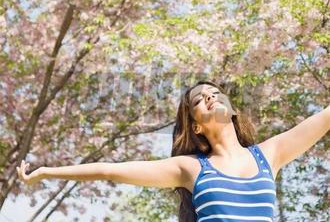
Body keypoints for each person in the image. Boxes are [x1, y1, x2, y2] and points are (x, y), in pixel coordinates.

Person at [17, 80, 330, 222]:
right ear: (195, 127)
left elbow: (323, 117)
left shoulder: (269, 154)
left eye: (215, 93)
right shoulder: (191, 168)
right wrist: (47, 172)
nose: (209, 97)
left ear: (231, 109)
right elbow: (112, 169)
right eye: (199, 99)